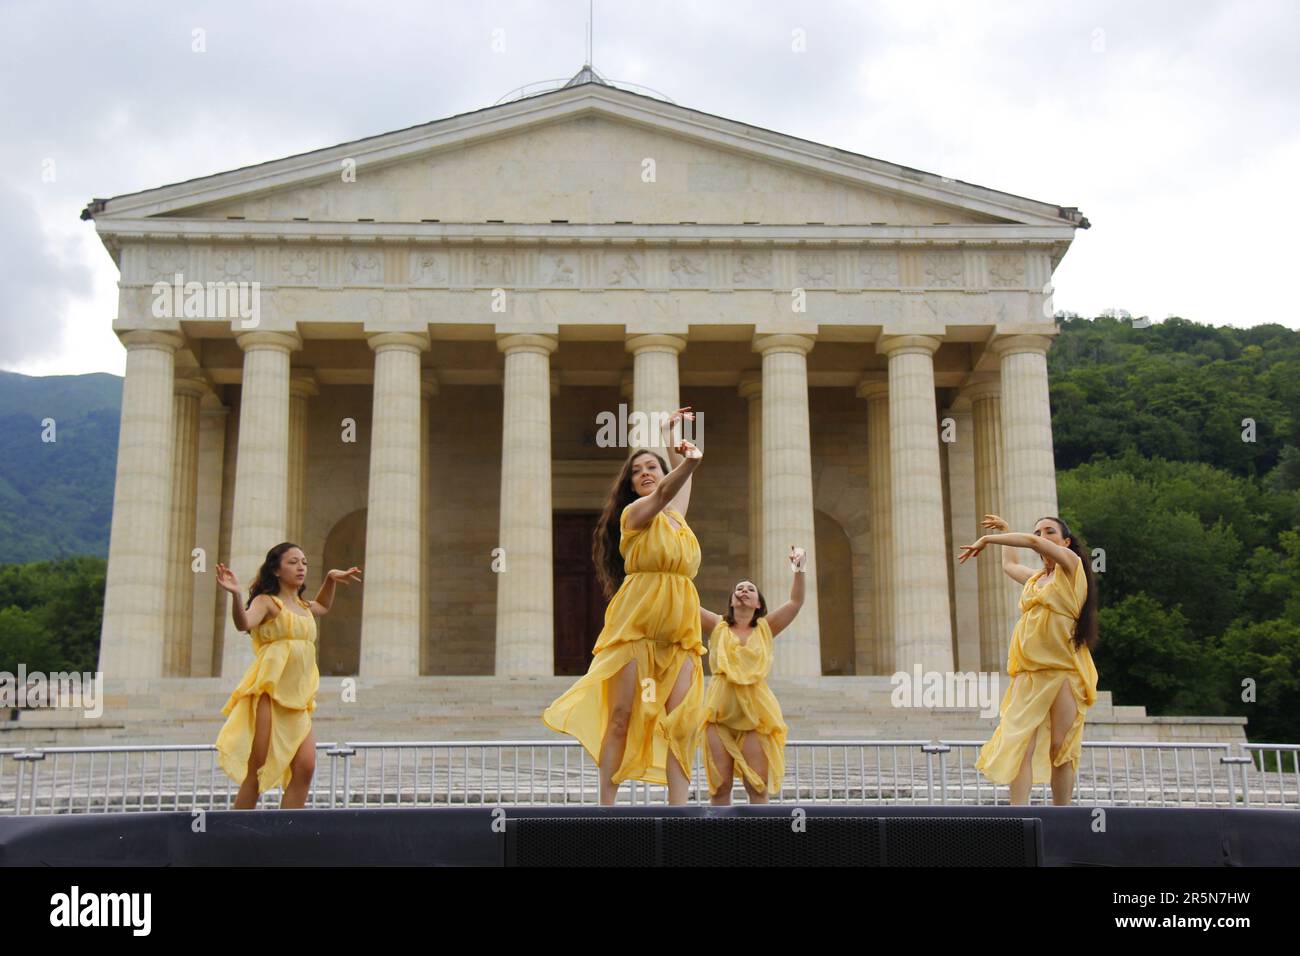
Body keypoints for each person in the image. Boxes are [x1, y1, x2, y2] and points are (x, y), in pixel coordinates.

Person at [543, 409, 705, 805]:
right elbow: (668, 490)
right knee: (621, 717)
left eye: (653, 467)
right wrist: (687, 460)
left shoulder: (676, 521)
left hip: (678, 635)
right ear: (630, 485)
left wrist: (671, 436)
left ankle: (679, 812)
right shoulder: (635, 515)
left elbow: (677, 491)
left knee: (681, 723)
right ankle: (607, 806)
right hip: (635, 631)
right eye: (639, 471)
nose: (647, 473)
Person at [958, 514, 1099, 805]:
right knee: (1019, 742)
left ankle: (1062, 814)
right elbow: (1010, 566)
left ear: (1066, 542)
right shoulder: (1036, 580)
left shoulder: (1072, 568)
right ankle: (1017, 814)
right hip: (1029, 672)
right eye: (1039, 531)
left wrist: (987, 539)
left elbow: (1033, 543)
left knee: (1061, 746)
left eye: (1051, 532)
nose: (1043, 536)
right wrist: (1007, 532)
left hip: (1064, 670)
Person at [214, 543, 361, 809]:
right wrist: (236, 595)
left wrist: (330, 579)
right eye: (293, 562)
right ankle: (235, 838)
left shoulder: (304, 605)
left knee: (305, 767)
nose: (301, 567)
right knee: (257, 770)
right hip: (270, 694)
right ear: (276, 569)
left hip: (299, 699)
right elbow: (243, 624)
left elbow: (324, 606)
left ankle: (287, 832)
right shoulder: (266, 602)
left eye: (304, 561)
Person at [699, 546, 805, 805]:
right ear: (732, 601)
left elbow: (795, 602)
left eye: (750, 589)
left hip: (756, 716)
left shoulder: (766, 628)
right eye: (739, 589)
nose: (744, 591)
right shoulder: (716, 625)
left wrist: (799, 568)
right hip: (718, 714)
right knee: (719, 787)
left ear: (758, 604)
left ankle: (760, 843)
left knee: (756, 786)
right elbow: (684, 602)